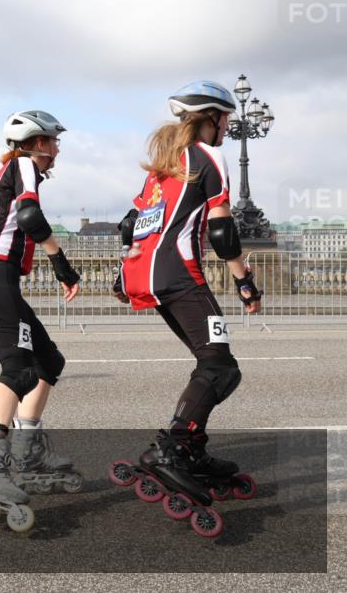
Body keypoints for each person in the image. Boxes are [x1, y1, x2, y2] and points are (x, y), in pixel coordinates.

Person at [114, 81, 263, 504]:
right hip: (180, 274)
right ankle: (172, 449)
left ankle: (190, 448)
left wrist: (124, 274)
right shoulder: (207, 156)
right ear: (212, 118)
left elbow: (131, 225)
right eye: (227, 119)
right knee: (220, 368)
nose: (229, 127)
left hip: (147, 273)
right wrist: (244, 282)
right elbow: (221, 228)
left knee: (210, 361)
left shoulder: (163, 165)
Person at [0, 111, 82, 526]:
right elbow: (28, 217)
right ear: (37, 143)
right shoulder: (23, 165)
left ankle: (28, 451)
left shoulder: (5, 177)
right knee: (19, 370)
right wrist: (61, 263)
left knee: (48, 363)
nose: (58, 148)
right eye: (54, 141)